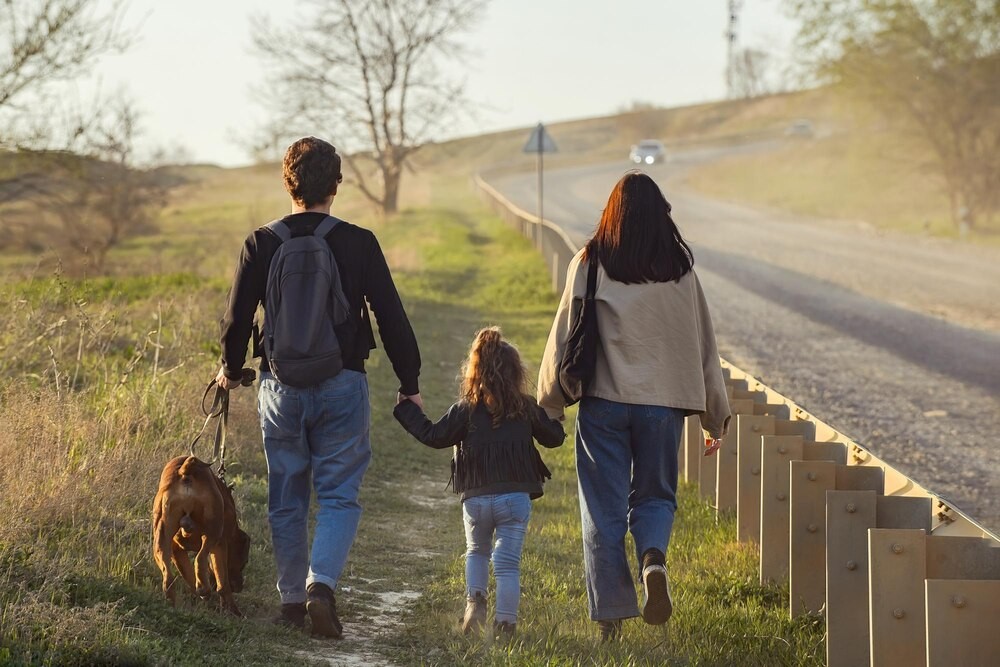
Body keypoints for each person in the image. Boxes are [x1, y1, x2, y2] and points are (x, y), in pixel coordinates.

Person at [216, 136, 422, 638]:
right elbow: (390, 314)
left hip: (279, 387)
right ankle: (320, 587)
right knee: (338, 495)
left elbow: (238, 319)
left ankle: (290, 602)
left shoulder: (260, 243)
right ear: (336, 184)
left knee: (286, 495)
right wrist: (409, 381)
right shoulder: (358, 241)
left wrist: (228, 367)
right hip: (343, 382)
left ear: (288, 182)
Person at [536, 171, 730, 641]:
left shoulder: (591, 262)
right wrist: (715, 417)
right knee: (655, 496)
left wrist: (549, 403)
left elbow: (565, 334)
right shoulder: (680, 272)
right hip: (663, 407)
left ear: (612, 215)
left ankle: (610, 617)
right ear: (662, 216)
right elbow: (704, 344)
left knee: (602, 508)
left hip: (603, 403)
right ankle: (653, 562)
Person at [394, 327, 565, 639]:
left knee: (476, 551)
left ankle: (475, 603)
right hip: (514, 498)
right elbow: (553, 439)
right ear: (516, 373)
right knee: (508, 564)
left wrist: (406, 408)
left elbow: (434, 435)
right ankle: (506, 624)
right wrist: (554, 418)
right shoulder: (525, 407)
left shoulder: (466, 409)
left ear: (475, 371)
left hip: (476, 498)